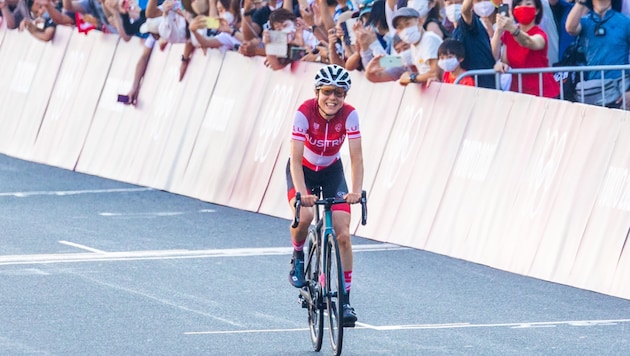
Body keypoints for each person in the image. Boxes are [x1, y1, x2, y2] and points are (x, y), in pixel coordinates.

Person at [286, 64, 363, 327]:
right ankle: (298, 255)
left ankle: (345, 301)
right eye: (327, 92)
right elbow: (295, 160)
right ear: (317, 92)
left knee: (343, 234)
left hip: (332, 171)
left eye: (339, 93)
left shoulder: (350, 115)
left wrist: (355, 191)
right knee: (305, 216)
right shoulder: (304, 113)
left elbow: (356, 158)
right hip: (304, 171)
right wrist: (301, 193)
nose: (333, 98)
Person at [492, 0, 560, 98]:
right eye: (518, 5)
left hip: (543, 94)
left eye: (528, 4)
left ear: (537, 10)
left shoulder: (540, 34)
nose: (523, 7)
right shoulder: (508, 34)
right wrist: (498, 30)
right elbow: (504, 61)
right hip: (518, 94)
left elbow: (528, 42)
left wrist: (513, 29)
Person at [365, 6, 442, 85]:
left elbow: (434, 73)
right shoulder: (414, 47)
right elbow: (399, 60)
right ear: (398, 32)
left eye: (407, 23)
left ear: (420, 21)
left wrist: (410, 78)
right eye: (400, 27)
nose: (405, 29)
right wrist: (372, 67)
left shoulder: (429, 38)